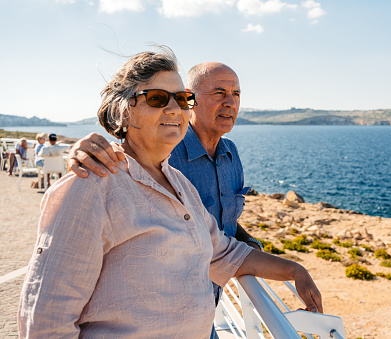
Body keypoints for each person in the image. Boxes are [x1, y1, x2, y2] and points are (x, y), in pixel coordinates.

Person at [18, 46, 322, 338]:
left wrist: (294, 270)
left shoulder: (179, 186)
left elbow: (224, 252)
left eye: (182, 99)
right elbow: (46, 319)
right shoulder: (93, 183)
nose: (174, 108)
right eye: (158, 98)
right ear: (123, 111)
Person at [68, 61, 261, 337]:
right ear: (189, 99)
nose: (230, 102)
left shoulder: (231, 154)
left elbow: (221, 222)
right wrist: (84, 150)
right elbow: (126, 157)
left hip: (206, 309)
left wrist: (250, 246)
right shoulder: (166, 148)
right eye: (219, 92)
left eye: (236, 94)